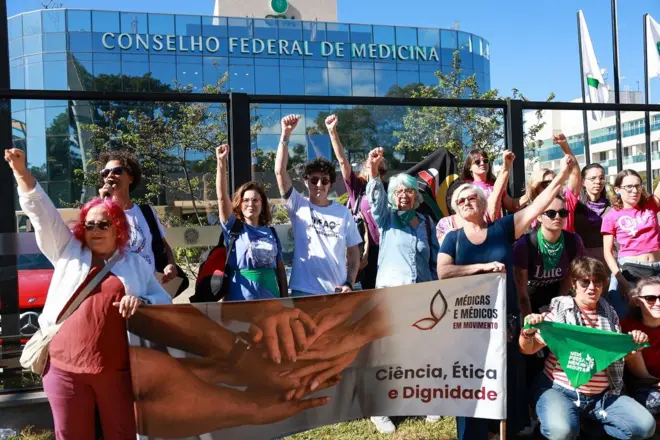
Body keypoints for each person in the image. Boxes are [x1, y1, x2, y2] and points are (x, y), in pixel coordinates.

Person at [5, 148, 172, 440]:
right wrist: (22, 173)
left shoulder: (133, 263)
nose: (95, 229)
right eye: (89, 224)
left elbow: (164, 301)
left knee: (121, 435)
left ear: (117, 228)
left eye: (103, 224)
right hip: (63, 372)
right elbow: (42, 213)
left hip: (118, 375)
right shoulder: (68, 252)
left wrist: (142, 301)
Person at [437, 154, 574, 440]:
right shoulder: (453, 238)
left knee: (507, 376)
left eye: (471, 197)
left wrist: (561, 177)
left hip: (505, 318)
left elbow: (537, 206)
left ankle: (505, 432)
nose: (466, 202)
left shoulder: (502, 229)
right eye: (460, 201)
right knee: (471, 379)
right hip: (469, 321)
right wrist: (483, 267)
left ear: (483, 202)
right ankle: (474, 433)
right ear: (455, 210)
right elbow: (444, 273)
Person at [521, 257, 656, 440]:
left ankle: (592, 427)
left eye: (597, 281)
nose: (592, 287)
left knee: (644, 426)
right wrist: (528, 332)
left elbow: (617, 354)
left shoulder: (610, 314)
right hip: (560, 390)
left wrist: (633, 344)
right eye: (585, 282)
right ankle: (553, 429)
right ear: (574, 283)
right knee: (562, 432)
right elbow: (528, 349)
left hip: (603, 396)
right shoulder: (560, 310)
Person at [363, 147, 440, 433]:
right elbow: (375, 200)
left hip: (421, 296)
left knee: (421, 351)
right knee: (387, 354)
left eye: (407, 192)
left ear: (416, 196)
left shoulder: (428, 224)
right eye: (398, 192)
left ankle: (424, 399)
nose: (403, 196)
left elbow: (433, 261)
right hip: (391, 297)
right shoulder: (387, 219)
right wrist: (373, 169)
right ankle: (379, 410)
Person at [275, 114, 361, 296]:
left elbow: (354, 253)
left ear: (330, 183)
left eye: (324, 180)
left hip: (337, 292)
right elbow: (279, 172)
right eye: (314, 180)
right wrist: (285, 135)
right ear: (306, 182)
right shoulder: (298, 205)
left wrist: (350, 283)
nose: (319, 185)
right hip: (303, 291)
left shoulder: (343, 212)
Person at [98, 150, 188, 296]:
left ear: (131, 178)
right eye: (105, 172)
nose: (110, 175)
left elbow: (164, 245)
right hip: (122, 291)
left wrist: (170, 264)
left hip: (152, 289)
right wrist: (103, 202)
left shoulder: (146, 212)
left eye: (117, 171)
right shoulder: (102, 213)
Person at [216, 144, 287, 300]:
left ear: (262, 204)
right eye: (246, 200)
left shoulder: (271, 233)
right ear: (239, 205)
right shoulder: (233, 228)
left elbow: (280, 271)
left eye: (255, 200)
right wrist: (221, 163)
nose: (250, 204)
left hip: (271, 299)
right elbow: (222, 198)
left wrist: (286, 300)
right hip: (240, 299)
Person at [326, 114, 386, 290]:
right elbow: (343, 161)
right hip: (366, 251)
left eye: (381, 169)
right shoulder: (358, 188)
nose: (376, 170)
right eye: (372, 165)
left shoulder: (390, 190)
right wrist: (332, 132)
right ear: (364, 169)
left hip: (388, 249)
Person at [513, 196, 585, 318]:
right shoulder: (526, 244)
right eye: (551, 213)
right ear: (539, 216)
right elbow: (521, 292)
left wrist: (555, 308)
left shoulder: (573, 241)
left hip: (556, 293)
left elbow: (569, 278)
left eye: (563, 213)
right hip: (528, 296)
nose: (557, 217)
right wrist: (529, 321)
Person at [602, 169, 660, 318]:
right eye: (629, 187)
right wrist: (622, 281)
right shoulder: (612, 216)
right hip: (631, 271)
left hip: (657, 268)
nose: (634, 190)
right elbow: (607, 253)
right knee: (634, 315)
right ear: (618, 190)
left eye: (638, 186)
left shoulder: (650, 205)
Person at [554, 132, 611, 264]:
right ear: (583, 182)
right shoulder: (575, 204)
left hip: (606, 261)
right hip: (580, 261)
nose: (598, 182)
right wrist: (564, 145)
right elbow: (575, 169)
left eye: (601, 178)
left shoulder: (612, 206)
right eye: (593, 178)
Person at [436, 151, 514, 245]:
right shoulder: (446, 224)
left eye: (472, 198)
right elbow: (443, 254)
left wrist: (530, 194)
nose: (467, 203)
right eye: (477, 162)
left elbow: (500, 199)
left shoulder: (484, 216)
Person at [622, 277, 660, 415]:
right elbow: (639, 376)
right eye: (651, 298)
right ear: (637, 301)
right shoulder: (626, 327)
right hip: (640, 386)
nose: (658, 303)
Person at [460, 148, 528, 216]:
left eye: (485, 161)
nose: (482, 163)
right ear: (469, 167)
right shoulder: (467, 188)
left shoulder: (495, 185)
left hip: (496, 225)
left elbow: (512, 206)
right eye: (477, 162)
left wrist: (531, 193)